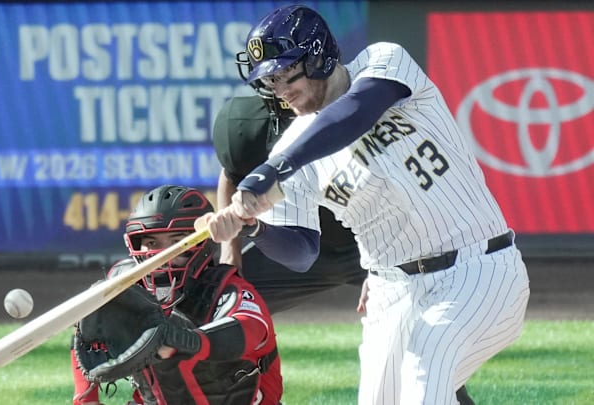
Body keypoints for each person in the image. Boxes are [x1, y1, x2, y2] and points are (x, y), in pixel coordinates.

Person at [202, 5, 530, 405]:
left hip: (479, 270)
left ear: (318, 55)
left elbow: (351, 115)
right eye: (270, 80)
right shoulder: (292, 148)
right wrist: (254, 226)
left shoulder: (383, 63)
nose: (280, 89)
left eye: (287, 74)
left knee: (423, 378)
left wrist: (275, 168)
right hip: (393, 293)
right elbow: (302, 252)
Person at [71, 185, 282, 405]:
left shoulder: (229, 289)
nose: (164, 256)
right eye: (151, 243)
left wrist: (177, 341)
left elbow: (250, 328)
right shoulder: (123, 286)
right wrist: (86, 399)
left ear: (203, 242)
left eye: (177, 242)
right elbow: (88, 335)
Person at [213, 82, 365, 314]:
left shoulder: (365, 107)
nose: (286, 84)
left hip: (368, 242)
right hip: (288, 244)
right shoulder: (246, 126)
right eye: (276, 76)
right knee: (214, 304)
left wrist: (385, 268)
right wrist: (229, 254)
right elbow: (231, 174)